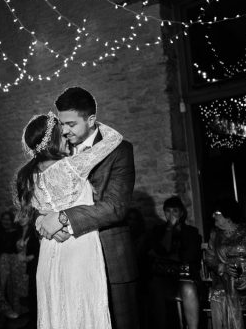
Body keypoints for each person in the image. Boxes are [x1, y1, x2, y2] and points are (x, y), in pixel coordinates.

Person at [35, 86, 138, 329]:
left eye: (71, 124)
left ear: (91, 120)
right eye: (61, 124)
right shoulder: (58, 150)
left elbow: (115, 207)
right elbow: (42, 194)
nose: (65, 130)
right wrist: (41, 220)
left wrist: (62, 218)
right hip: (64, 257)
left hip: (109, 255)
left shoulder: (120, 150)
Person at [16, 110, 124, 328]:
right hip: (78, 251)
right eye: (63, 132)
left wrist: (41, 221)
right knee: (82, 313)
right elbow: (114, 138)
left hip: (48, 255)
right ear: (51, 140)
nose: (67, 134)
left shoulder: (30, 176)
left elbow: (41, 214)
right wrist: (89, 122)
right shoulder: (71, 167)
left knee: (56, 314)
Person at [204, 197, 246, 329]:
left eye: (217, 213)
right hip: (227, 282)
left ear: (228, 215)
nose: (213, 216)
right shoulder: (215, 234)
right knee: (217, 295)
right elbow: (209, 258)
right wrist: (222, 267)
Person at [145, 196, 201, 329]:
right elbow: (161, 250)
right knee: (154, 286)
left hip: (185, 275)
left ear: (181, 213)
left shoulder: (191, 232)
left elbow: (189, 256)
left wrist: (167, 256)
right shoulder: (158, 231)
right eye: (168, 211)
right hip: (164, 276)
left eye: (174, 211)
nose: (171, 215)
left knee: (188, 287)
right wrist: (169, 230)